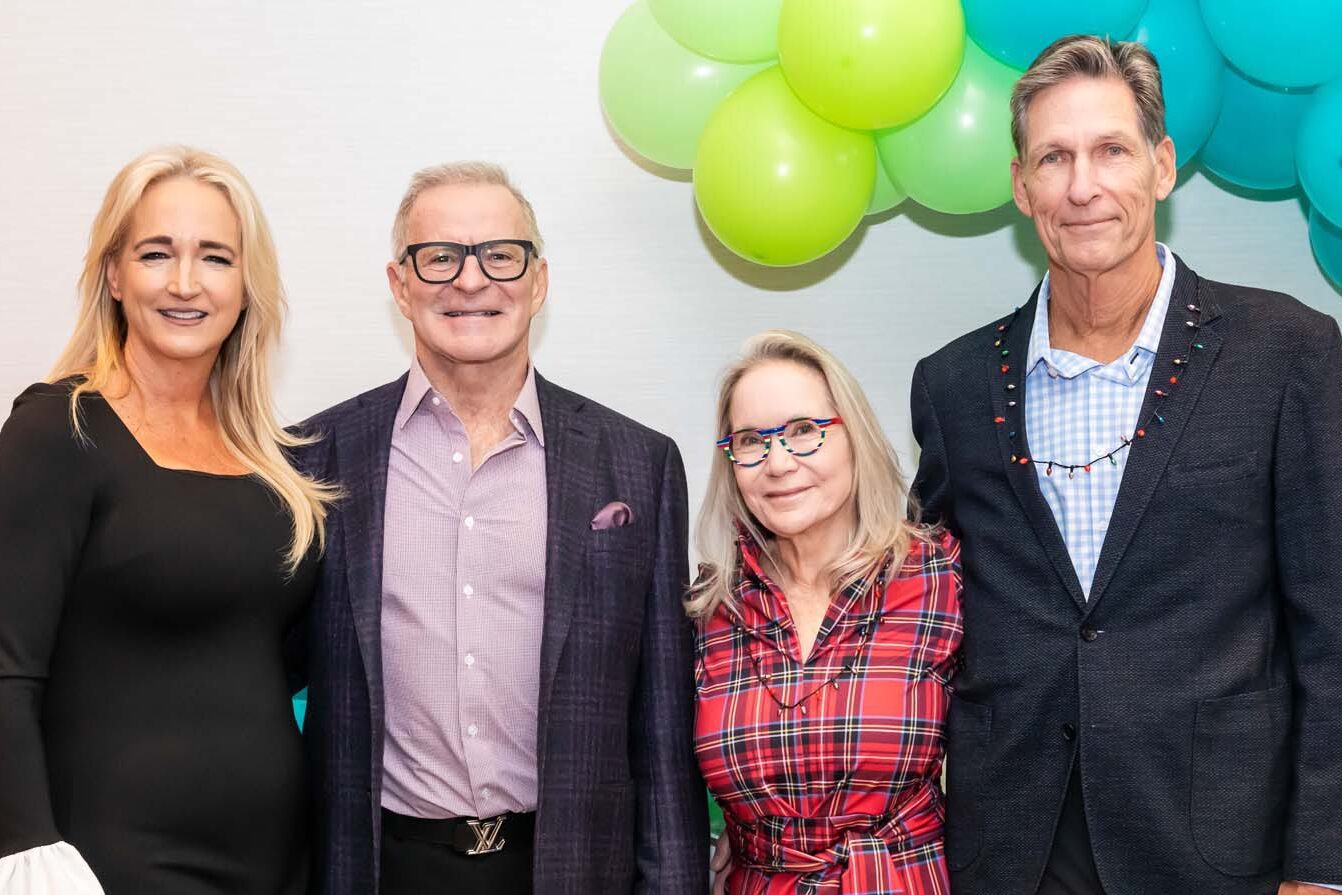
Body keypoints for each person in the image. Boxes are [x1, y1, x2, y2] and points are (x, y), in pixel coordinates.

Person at [910, 35, 1342, 895]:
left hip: (1221, 850)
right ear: (1020, 185)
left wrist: (1323, 865)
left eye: (1110, 149)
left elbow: (1332, 628)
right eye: (1054, 157)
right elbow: (926, 614)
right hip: (1013, 851)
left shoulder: (1287, 352)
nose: (1083, 186)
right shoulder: (953, 385)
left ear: (1162, 166)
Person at [294, 161, 708, 894]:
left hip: (572, 869)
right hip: (382, 867)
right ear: (400, 285)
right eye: (440, 257)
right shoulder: (314, 459)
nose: (471, 280)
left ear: (538, 281)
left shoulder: (638, 464)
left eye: (500, 255)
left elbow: (664, 730)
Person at [0, 146, 336, 893]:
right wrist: (27, 850)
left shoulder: (269, 459)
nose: (186, 282)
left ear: (246, 285)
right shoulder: (58, 431)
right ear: (114, 275)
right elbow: (5, 665)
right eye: (156, 253)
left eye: (216, 257)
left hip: (275, 863)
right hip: (106, 863)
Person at [690, 330, 961, 894]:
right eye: (750, 441)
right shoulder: (711, 605)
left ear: (853, 436)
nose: (778, 463)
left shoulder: (940, 576)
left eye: (803, 431)